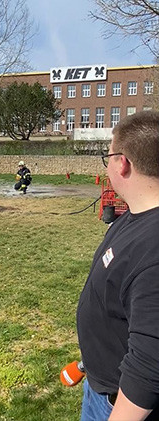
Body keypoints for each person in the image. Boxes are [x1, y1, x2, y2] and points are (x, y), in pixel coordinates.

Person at [76, 111, 159, 420]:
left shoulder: (154, 247)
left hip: (118, 403)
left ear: (122, 163)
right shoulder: (135, 217)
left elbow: (150, 365)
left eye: (107, 156)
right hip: (102, 382)